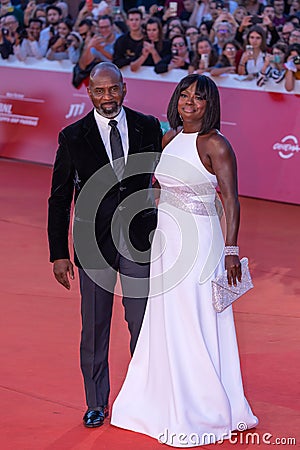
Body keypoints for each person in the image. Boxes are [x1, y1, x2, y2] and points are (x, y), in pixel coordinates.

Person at [111, 73, 258, 446]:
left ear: (211, 105)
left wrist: (231, 249)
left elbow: (231, 200)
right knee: (165, 317)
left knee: (194, 317)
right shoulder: (171, 138)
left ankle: (202, 406)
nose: (189, 102)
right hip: (167, 241)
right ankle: (162, 398)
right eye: (184, 94)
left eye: (199, 97)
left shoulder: (216, 144)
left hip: (201, 243)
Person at [47, 62, 162, 428]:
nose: (107, 97)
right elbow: (59, 197)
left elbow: (169, 172)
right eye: (99, 91)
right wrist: (59, 253)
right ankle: (96, 402)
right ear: (89, 92)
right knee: (94, 326)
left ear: (125, 89)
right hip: (92, 244)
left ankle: (145, 397)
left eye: (113, 89)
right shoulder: (73, 136)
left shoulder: (148, 126)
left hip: (139, 241)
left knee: (141, 321)